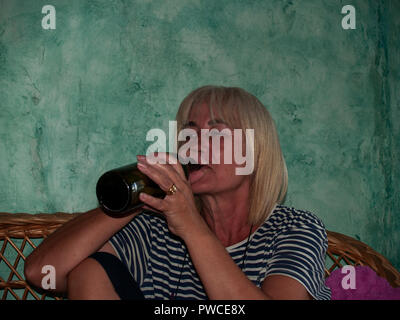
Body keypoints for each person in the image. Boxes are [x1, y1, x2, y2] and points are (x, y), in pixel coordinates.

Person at [24, 85, 331, 300]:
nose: (194, 144)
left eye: (216, 132)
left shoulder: (295, 228)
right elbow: (42, 272)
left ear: (255, 153)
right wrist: (141, 199)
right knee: (88, 272)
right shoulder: (156, 231)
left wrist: (192, 229)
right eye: (189, 131)